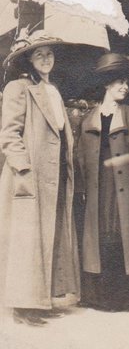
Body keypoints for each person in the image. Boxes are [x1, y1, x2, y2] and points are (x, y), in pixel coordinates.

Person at [0, 29, 80, 326]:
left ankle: (44, 298)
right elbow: (9, 134)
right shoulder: (18, 88)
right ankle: (23, 305)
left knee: (51, 235)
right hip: (29, 174)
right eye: (39, 54)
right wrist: (23, 169)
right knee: (27, 239)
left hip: (54, 172)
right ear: (28, 60)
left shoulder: (53, 89)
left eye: (49, 53)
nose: (46, 59)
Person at [77, 53, 129, 312]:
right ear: (106, 84)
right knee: (100, 237)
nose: (124, 87)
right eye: (118, 82)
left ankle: (128, 298)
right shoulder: (88, 119)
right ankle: (101, 298)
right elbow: (80, 156)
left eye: (126, 82)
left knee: (124, 237)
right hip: (99, 187)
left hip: (125, 188)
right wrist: (82, 188)